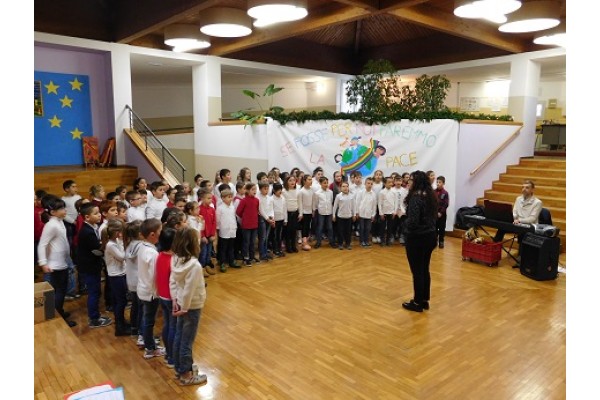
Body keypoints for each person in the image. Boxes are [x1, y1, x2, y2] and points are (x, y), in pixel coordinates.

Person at [170, 228, 208, 386]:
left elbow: (173, 281)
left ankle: (180, 368)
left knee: (180, 336)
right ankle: (186, 375)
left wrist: (175, 300)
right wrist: (185, 307)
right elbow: (189, 289)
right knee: (187, 340)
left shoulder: (175, 259)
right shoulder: (195, 266)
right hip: (190, 306)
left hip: (181, 303)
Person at [37, 195, 78, 327]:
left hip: (62, 262)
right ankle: (58, 315)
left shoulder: (59, 221)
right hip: (56, 265)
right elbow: (42, 244)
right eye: (61, 209)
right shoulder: (51, 225)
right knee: (59, 291)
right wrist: (43, 263)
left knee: (62, 289)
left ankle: (59, 311)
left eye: (64, 207)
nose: (65, 210)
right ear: (53, 212)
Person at [402, 170, 438, 313]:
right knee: (424, 269)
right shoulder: (429, 196)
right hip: (429, 237)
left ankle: (417, 302)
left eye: (411, 180)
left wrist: (404, 223)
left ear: (416, 182)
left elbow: (413, 221)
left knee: (417, 271)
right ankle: (424, 300)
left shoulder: (416, 198)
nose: (408, 182)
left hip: (417, 239)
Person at [76, 202, 113, 327]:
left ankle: (95, 316)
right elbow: (97, 249)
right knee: (94, 292)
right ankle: (94, 319)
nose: (99, 215)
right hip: (89, 266)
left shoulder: (92, 227)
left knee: (96, 291)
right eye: (96, 213)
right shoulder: (87, 232)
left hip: (92, 265)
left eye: (99, 213)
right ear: (87, 217)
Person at [137, 218, 166, 359]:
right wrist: (157, 292)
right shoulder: (152, 253)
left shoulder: (142, 247)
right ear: (153, 234)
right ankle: (150, 348)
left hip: (143, 288)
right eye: (160, 231)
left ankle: (146, 341)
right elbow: (154, 275)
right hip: (150, 292)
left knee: (146, 318)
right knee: (149, 321)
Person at [493, 179, 543, 250]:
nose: (524, 189)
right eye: (523, 187)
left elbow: (532, 219)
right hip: (517, 223)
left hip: (530, 226)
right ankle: (494, 250)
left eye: (527, 187)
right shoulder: (518, 199)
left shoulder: (538, 202)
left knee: (522, 233)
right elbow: (514, 212)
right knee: (501, 228)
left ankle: (521, 255)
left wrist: (519, 220)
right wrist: (511, 218)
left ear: (532, 189)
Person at [103, 219, 131, 336]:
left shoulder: (116, 242)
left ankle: (121, 322)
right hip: (116, 275)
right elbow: (121, 257)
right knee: (121, 301)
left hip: (120, 273)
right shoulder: (110, 245)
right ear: (116, 232)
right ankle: (120, 327)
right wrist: (127, 246)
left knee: (118, 300)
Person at [155, 227, 177, 368]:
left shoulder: (159, 255)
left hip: (162, 295)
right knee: (173, 327)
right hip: (171, 298)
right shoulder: (172, 260)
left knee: (167, 325)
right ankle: (172, 358)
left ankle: (169, 355)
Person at [124, 220, 144, 344]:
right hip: (140, 281)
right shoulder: (141, 246)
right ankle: (142, 333)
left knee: (135, 306)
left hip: (131, 280)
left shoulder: (129, 244)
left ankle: (134, 329)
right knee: (142, 308)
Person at [236, 182, 260, 266]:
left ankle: (252, 256)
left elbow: (256, 210)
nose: (255, 191)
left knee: (252, 242)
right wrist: (245, 217)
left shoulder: (257, 200)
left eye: (255, 189)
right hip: (246, 225)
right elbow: (238, 212)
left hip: (254, 224)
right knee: (246, 242)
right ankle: (245, 258)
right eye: (252, 189)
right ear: (247, 190)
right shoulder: (244, 201)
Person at [216, 189, 239, 271]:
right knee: (223, 248)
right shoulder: (220, 208)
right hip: (224, 231)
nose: (231, 198)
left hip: (232, 230)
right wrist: (218, 229)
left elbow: (233, 217)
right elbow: (218, 220)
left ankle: (231, 261)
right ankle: (222, 263)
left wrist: (235, 227)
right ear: (223, 198)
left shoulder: (232, 207)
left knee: (231, 247)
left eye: (231, 197)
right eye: (228, 197)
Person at [198, 189, 217, 274]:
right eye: (208, 198)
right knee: (203, 252)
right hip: (203, 237)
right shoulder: (199, 210)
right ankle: (202, 268)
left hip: (210, 235)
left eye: (211, 198)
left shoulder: (212, 209)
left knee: (209, 252)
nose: (211, 200)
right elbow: (199, 224)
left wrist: (213, 234)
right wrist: (202, 236)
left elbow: (214, 222)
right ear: (202, 199)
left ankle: (207, 266)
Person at [332, 182, 355, 250]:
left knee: (348, 231)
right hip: (340, 217)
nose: (345, 188)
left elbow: (354, 206)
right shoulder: (338, 196)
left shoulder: (352, 196)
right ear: (340, 188)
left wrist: (354, 214)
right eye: (343, 186)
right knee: (340, 231)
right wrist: (333, 215)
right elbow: (335, 206)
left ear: (348, 187)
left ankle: (348, 244)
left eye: (346, 186)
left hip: (349, 217)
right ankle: (340, 244)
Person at [355, 177, 377, 247]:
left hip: (369, 214)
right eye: (368, 183)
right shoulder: (360, 192)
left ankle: (366, 241)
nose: (370, 185)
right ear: (365, 184)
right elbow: (357, 203)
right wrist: (357, 212)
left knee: (368, 229)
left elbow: (374, 205)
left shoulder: (373, 194)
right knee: (362, 228)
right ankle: (362, 241)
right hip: (361, 214)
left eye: (371, 184)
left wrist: (373, 215)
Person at [314, 176, 334, 249]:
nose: (326, 184)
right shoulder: (317, 193)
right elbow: (316, 203)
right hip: (321, 212)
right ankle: (318, 242)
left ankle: (331, 242)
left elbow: (331, 201)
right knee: (320, 227)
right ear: (320, 183)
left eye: (327, 183)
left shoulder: (330, 192)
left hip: (329, 212)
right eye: (324, 183)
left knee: (330, 227)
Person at [257, 182, 275, 261]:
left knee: (266, 237)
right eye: (265, 189)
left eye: (267, 189)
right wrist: (268, 219)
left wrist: (272, 218)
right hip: (262, 219)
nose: (266, 190)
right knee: (263, 237)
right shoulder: (258, 198)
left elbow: (271, 208)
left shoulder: (269, 198)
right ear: (260, 189)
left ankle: (265, 253)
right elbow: (261, 210)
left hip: (269, 219)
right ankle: (262, 254)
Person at [378, 176, 398, 246]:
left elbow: (396, 202)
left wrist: (395, 212)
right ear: (384, 183)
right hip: (384, 213)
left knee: (390, 228)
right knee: (382, 228)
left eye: (391, 182)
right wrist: (381, 213)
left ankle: (388, 240)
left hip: (391, 213)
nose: (391, 184)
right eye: (389, 182)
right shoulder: (382, 192)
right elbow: (379, 203)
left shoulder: (394, 192)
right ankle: (382, 240)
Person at [282, 175, 299, 253]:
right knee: (288, 231)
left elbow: (298, 202)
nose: (292, 182)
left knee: (294, 230)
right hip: (287, 213)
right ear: (286, 182)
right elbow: (283, 205)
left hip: (295, 213)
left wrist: (300, 213)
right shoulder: (284, 191)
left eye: (293, 180)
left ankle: (293, 246)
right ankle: (288, 247)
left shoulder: (297, 190)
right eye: (290, 180)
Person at [297, 175, 315, 251]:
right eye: (309, 179)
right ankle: (304, 243)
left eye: (311, 179)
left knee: (308, 227)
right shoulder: (301, 191)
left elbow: (313, 201)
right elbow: (300, 203)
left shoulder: (312, 190)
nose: (311, 181)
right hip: (304, 212)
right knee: (304, 227)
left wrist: (313, 210)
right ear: (304, 181)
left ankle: (306, 241)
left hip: (310, 212)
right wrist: (301, 213)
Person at [271, 183, 287, 257]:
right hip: (275, 220)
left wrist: (285, 219)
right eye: (278, 190)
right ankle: (275, 250)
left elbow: (284, 209)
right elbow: (271, 210)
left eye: (281, 189)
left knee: (279, 235)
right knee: (274, 236)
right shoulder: (271, 199)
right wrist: (272, 220)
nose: (280, 191)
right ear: (274, 190)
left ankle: (279, 249)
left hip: (281, 219)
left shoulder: (283, 198)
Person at [435, 176, 449, 249]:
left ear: (443, 183)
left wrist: (441, 212)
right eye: (437, 182)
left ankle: (441, 241)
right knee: (434, 228)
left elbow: (446, 204)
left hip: (442, 215)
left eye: (439, 182)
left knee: (442, 228)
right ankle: (434, 240)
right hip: (434, 214)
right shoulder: (433, 192)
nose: (438, 183)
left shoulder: (445, 193)